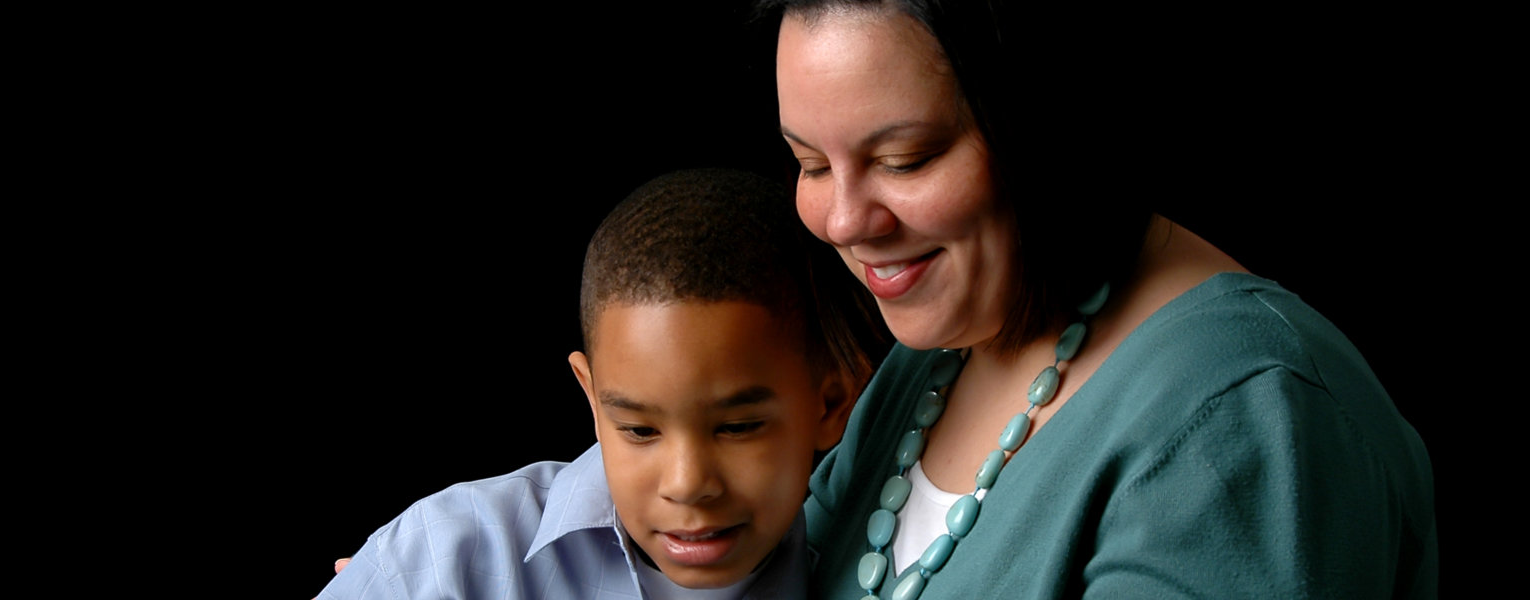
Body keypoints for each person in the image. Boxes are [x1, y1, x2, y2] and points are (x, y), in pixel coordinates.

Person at [759, 1, 1439, 598]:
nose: (843, 221)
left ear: (1047, 120)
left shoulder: (1245, 423)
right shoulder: (944, 350)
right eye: (811, 164)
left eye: (905, 159)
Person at [312, 168, 888, 599]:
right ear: (591, 397)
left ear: (831, 401)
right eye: (639, 429)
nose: (688, 485)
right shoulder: (446, 560)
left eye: (737, 427)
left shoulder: (869, 568)